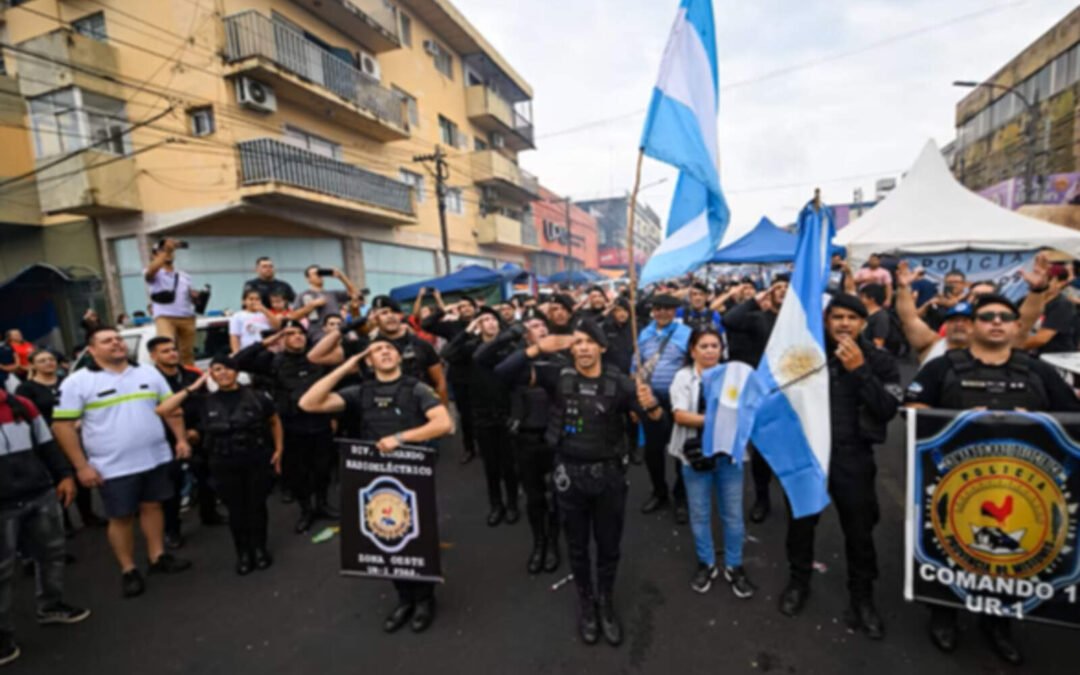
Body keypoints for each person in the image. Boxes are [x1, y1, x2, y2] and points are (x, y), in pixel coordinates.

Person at [905, 292, 1080, 665]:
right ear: (972, 326)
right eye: (987, 317)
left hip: (1019, 488)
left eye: (1005, 316)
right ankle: (943, 615)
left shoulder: (1038, 371)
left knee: (1009, 557)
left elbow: (1072, 418)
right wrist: (961, 422)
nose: (996, 322)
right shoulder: (943, 368)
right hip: (951, 486)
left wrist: (1035, 422)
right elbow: (912, 409)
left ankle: (998, 624)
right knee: (947, 548)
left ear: (1018, 326)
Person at [497, 318, 662, 646]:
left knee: (609, 546)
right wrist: (535, 348)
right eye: (577, 342)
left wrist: (653, 406)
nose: (583, 348)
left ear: (601, 347)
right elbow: (501, 373)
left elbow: (659, 427)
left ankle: (606, 603)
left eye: (589, 342)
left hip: (609, 479)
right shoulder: (556, 376)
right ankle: (586, 603)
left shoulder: (623, 385)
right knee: (576, 546)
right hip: (568, 477)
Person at [299, 338, 453, 633]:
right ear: (368, 361)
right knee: (386, 535)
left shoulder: (416, 388)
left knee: (416, 537)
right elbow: (309, 403)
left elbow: (443, 423)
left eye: (390, 349)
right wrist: (346, 365)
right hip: (376, 477)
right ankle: (404, 598)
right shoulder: (361, 391)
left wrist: (401, 439)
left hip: (412, 473)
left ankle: (424, 599)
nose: (384, 352)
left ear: (399, 357)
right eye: (377, 350)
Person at [778, 294, 900, 641]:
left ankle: (862, 598)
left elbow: (887, 408)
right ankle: (798, 583)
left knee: (859, 531)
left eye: (852, 317)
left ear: (863, 323)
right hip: (809, 455)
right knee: (801, 524)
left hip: (853, 457)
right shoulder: (807, 355)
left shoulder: (879, 360)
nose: (844, 323)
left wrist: (860, 371)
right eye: (837, 317)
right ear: (826, 320)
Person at [51, 327, 192, 598]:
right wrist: (81, 466)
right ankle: (129, 569)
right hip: (112, 465)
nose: (116, 344)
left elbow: (171, 408)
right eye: (107, 341)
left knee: (153, 506)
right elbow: (63, 427)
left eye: (118, 339)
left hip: (156, 457)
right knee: (122, 517)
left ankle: (157, 557)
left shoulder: (148, 373)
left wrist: (181, 439)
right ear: (92, 350)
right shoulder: (77, 382)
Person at [157, 356, 283, 576]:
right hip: (223, 462)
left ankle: (260, 549)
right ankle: (243, 553)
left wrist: (279, 450)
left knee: (257, 507)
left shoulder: (257, 397)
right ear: (211, 374)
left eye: (228, 369)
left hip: (255, 458)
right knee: (236, 510)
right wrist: (192, 388)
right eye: (217, 369)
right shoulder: (204, 401)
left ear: (236, 372)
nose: (223, 373)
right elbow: (163, 410)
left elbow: (274, 421)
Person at [0, 390, 90, 667]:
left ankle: (51, 605)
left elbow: (48, 445)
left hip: (38, 493)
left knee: (51, 552)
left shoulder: (20, 405)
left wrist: (64, 475)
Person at [668, 327, 754, 598]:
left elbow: (750, 409)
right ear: (692, 350)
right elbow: (681, 416)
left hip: (729, 455)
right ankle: (706, 563)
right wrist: (721, 420)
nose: (709, 351)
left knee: (733, 514)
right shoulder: (683, 377)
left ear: (721, 349)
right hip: (694, 457)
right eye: (703, 346)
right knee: (700, 514)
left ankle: (734, 565)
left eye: (714, 346)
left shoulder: (735, 376)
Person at [234, 321, 334, 533]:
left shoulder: (316, 359)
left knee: (323, 468)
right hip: (291, 425)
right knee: (298, 471)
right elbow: (238, 361)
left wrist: (334, 417)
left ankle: (322, 504)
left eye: (300, 333)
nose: (297, 337)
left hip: (320, 422)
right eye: (291, 334)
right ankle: (306, 510)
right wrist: (269, 340)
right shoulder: (273, 362)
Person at [486, 308, 564, 573]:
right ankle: (539, 543)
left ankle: (553, 543)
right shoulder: (517, 360)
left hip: (556, 436)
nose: (539, 329)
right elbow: (495, 369)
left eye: (543, 325)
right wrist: (528, 348)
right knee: (534, 497)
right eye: (532, 326)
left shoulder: (562, 358)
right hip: (526, 438)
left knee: (556, 494)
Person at [442, 307, 518, 526]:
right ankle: (496, 505)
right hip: (481, 413)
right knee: (490, 464)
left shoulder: (510, 346)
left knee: (509, 463)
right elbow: (446, 353)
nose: (490, 323)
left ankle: (512, 503)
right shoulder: (471, 348)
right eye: (484, 320)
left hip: (506, 411)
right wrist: (467, 331)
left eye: (493, 319)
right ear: (478, 325)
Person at [895, 260, 1050, 365]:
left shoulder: (998, 347)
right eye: (954, 320)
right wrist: (903, 288)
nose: (960, 325)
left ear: (978, 324)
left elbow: (1025, 322)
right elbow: (909, 318)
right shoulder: (931, 344)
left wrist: (1037, 291)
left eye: (966, 320)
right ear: (946, 324)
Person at [722, 276, 789, 522]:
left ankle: (794, 497)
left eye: (786, 288)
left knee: (790, 450)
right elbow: (729, 320)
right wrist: (754, 300)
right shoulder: (760, 319)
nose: (782, 291)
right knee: (761, 452)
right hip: (764, 394)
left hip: (792, 395)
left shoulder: (801, 321)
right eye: (777, 288)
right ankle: (762, 499)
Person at [147, 337, 224, 548]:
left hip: (198, 435)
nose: (172, 354)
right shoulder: (150, 381)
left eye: (173, 349)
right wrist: (178, 435)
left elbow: (207, 404)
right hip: (168, 441)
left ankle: (210, 514)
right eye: (165, 351)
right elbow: (153, 413)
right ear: (153, 356)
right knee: (172, 487)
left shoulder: (192, 375)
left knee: (207, 478)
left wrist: (198, 430)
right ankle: (172, 530)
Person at [16, 350, 105, 529]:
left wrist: (79, 421)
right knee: (59, 478)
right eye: (42, 361)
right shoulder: (26, 389)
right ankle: (64, 523)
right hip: (48, 441)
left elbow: (83, 404)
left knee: (80, 473)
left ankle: (88, 515)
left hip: (75, 435)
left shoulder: (68, 383)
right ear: (33, 365)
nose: (48, 363)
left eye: (51, 359)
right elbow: (27, 415)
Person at [635, 294, 692, 523]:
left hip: (678, 399)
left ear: (675, 311)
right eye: (658, 309)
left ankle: (681, 496)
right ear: (652, 311)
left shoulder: (686, 335)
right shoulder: (644, 334)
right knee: (653, 450)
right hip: (650, 399)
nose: (662, 313)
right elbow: (636, 365)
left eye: (668, 309)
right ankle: (659, 492)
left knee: (681, 449)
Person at [421, 294, 479, 464]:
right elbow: (427, 324)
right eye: (462, 307)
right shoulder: (453, 326)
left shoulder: (485, 322)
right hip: (460, 376)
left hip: (484, 375)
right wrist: (443, 309)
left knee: (483, 413)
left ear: (475, 308)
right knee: (465, 414)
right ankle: (469, 448)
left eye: (469, 305)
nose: (465, 308)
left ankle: (485, 445)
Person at [143, 239, 200, 365]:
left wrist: (195, 296)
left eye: (170, 251)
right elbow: (150, 273)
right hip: (165, 317)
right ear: (154, 255)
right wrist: (167, 249)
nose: (168, 253)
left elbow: (188, 295)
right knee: (166, 347)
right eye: (162, 251)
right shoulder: (155, 272)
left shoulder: (184, 275)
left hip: (187, 317)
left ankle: (188, 378)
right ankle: (168, 377)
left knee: (187, 353)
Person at [1023, 263, 1077, 354]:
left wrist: (1009, 346)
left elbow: (1041, 339)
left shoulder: (1062, 305)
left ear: (1061, 283)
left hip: (1053, 358)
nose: (1042, 281)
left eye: (1048, 278)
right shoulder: (1027, 300)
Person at [294, 266, 359, 334]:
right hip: (318, 333)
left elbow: (355, 294)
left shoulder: (332, 294)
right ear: (308, 279)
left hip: (338, 330)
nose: (319, 275)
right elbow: (294, 316)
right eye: (316, 273)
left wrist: (341, 277)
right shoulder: (303, 295)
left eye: (320, 273)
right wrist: (312, 305)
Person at [857, 284, 893, 352]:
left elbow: (879, 342)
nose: (859, 299)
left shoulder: (881, 317)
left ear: (872, 299)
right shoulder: (862, 312)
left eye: (862, 296)